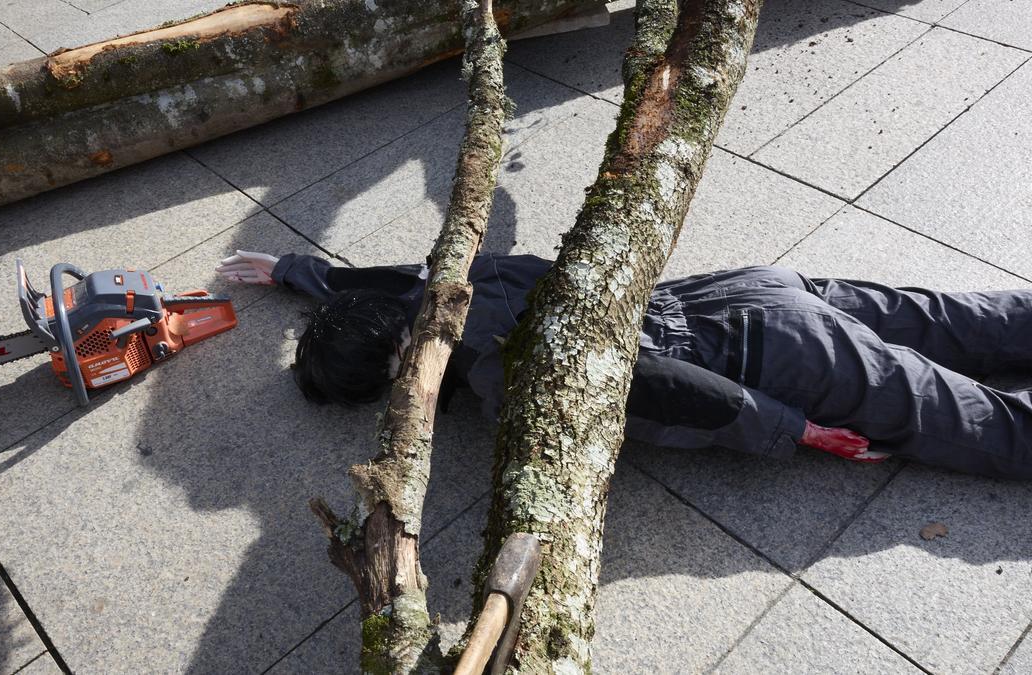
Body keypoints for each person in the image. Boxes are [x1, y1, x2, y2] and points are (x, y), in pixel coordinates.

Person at [216, 250, 1032, 479]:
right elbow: (390, 282)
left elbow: (659, 391)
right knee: (949, 319)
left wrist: (798, 429)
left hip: (765, 354)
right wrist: (298, 272)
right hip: (748, 285)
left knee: (961, 418)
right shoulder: (459, 279)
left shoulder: (505, 378)